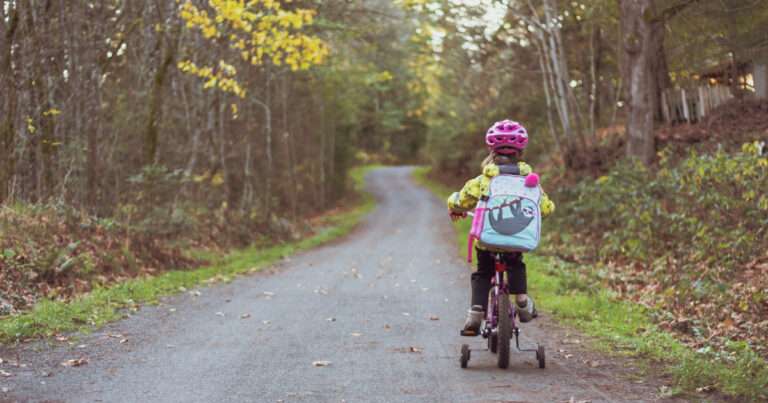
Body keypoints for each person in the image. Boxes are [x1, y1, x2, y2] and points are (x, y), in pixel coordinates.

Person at [446, 120, 555, 336]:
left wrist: (453, 205)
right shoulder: (529, 181)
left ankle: (475, 314)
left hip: (487, 241)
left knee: (483, 273)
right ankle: (522, 301)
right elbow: (545, 207)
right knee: (516, 264)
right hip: (516, 241)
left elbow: (462, 199)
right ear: (521, 151)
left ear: (491, 150)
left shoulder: (484, 180)